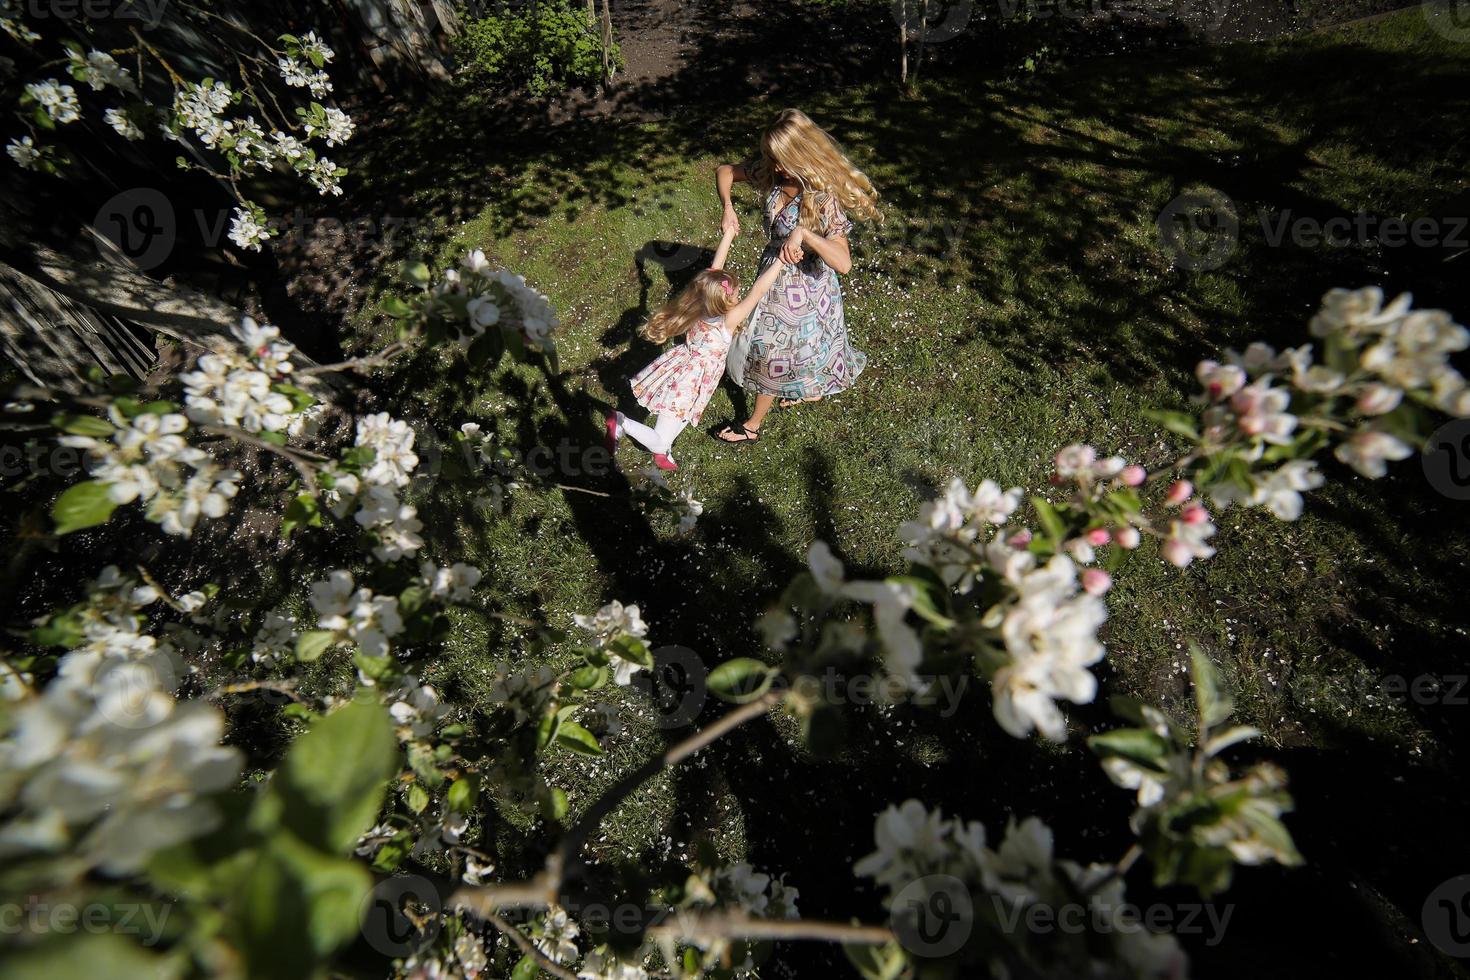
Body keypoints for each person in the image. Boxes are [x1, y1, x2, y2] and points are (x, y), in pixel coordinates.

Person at [713, 108, 882, 445]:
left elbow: (844, 262)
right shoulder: (773, 173)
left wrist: (805, 235)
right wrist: (728, 207)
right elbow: (724, 172)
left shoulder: (823, 198)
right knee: (796, 348)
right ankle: (808, 389)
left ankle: (752, 426)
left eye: (780, 160)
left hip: (807, 288)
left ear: (800, 158)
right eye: (770, 159)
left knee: (773, 352)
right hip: (773, 277)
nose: (772, 167)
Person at [607, 224, 789, 471]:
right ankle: (623, 423)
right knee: (660, 440)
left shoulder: (700, 303)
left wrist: (728, 235)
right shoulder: (727, 320)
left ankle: (665, 450)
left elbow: (714, 270)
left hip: (683, 367)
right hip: (690, 379)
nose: (738, 297)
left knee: (681, 414)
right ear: (725, 300)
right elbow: (758, 291)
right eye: (735, 294)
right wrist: (780, 260)